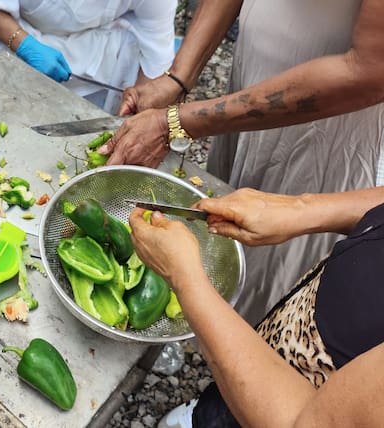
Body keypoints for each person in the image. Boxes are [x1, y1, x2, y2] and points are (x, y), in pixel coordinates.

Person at [99, 0, 384, 325]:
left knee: (264, 276)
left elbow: (370, 71)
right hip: (246, 93)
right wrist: (178, 78)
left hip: (322, 129)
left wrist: (177, 122)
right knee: (213, 228)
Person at [127, 186, 384, 427]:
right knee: (221, 401)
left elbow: (306, 422)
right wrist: (300, 209)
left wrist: (186, 279)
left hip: (283, 407)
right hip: (275, 349)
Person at [0, 0, 177, 113]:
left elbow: (157, 49)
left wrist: (143, 109)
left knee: (134, 51)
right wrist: (25, 44)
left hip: (91, 43)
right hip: (15, 28)